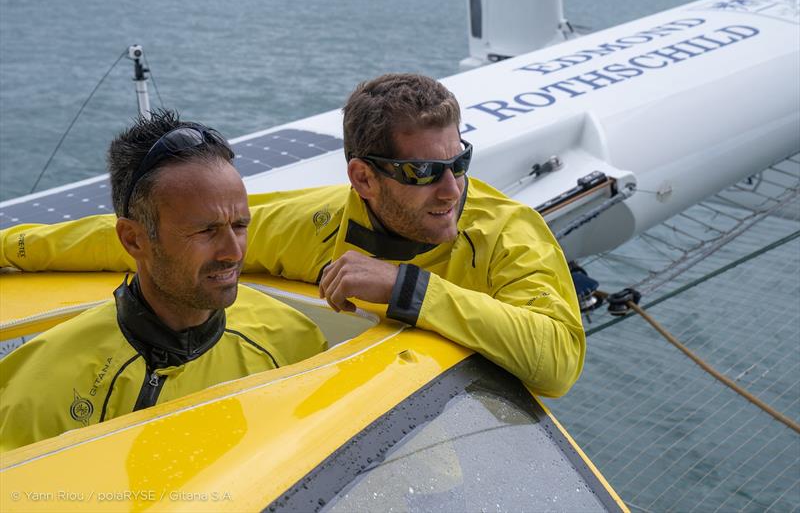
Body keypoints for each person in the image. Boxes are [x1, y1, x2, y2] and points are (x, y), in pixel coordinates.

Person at [0, 74, 584, 398]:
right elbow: (143, 236)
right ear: (362, 178)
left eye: (460, 162)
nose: (452, 189)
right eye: (423, 173)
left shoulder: (507, 233)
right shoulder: (318, 224)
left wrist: (408, 288)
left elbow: (558, 359)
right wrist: (9, 248)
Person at [0, 111, 327, 452]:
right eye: (206, 230)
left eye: (240, 226)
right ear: (133, 240)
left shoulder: (294, 340)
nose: (233, 252)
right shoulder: (39, 394)